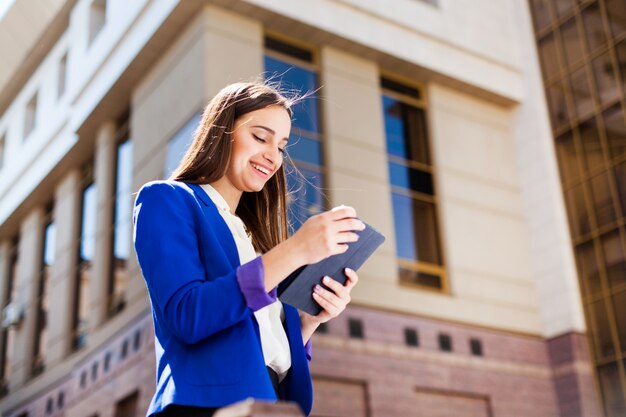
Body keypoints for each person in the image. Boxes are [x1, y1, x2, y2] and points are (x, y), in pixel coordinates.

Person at [133, 80, 365, 417]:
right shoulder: (168, 199)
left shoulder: (256, 241)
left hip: (269, 403)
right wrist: (296, 251)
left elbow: (263, 349)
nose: (273, 156)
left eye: (282, 145)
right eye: (260, 137)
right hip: (207, 407)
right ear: (222, 131)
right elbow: (188, 315)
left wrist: (307, 322)